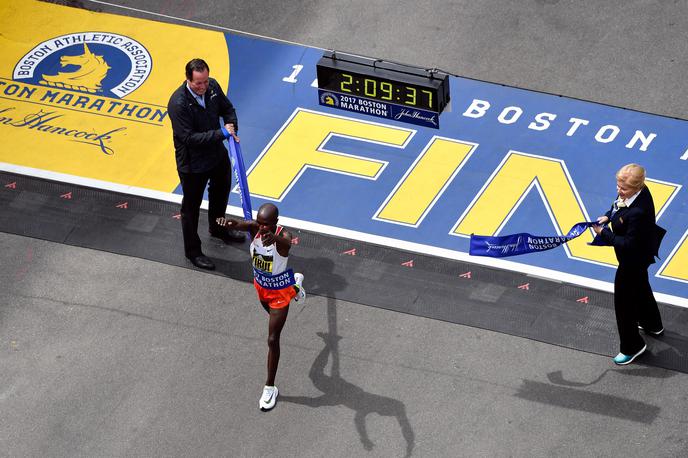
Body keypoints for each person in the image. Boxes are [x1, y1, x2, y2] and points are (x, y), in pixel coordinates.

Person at [216, 203, 306, 411]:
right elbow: (239, 224)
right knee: (272, 328)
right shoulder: (254, 228)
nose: (261, 227)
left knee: (272, 339)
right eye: (259, 222)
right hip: (262, 289)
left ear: (275, 223)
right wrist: (227, 223)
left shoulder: (284, 237)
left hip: (278, 295)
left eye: (266, 225)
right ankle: (296, 284)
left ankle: (270, 387)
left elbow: (286, 243)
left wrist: (273, 238)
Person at [168, 58, 244, 271]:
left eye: (205, 81)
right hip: (192, 164)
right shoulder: (178, 104)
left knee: (220, 193)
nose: (203, 87)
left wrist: (232, 127)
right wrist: (221, 133)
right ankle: (193, 252)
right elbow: (190, 138)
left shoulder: (213, 87)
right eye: (198, 83)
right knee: (190, 208)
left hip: (216, 155)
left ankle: (218, 228)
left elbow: (228, 109)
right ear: (188, 80)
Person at [592, 163, 666, 365]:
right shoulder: (636, 193)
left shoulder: (638, 212)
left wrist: (604, 233)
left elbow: (628, 244)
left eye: (623, 189)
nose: (619, 191)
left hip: (632, 260)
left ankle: (632, 346)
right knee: (641, 287)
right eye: (618, 186)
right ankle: (652, 324)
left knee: (624, 304)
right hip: (640, 257)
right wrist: (609, 215)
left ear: (637, 187)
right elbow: (618, 204)